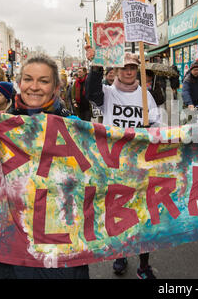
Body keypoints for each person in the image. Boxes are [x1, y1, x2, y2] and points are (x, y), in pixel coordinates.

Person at [0, 55, 88, 279]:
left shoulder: (76, 128)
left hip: (61, 252)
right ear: (19, 83)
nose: (34, 87)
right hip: (12, 253)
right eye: (28, 79)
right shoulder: (0, 126)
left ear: (56, 86)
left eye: (43, 81)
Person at [85, 48, 160, 279]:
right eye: (124, 67)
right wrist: (97, 64)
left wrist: (151, 131)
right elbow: (91, 92)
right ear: (116, 70)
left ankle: (144, 265)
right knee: (118, 216)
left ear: (138, 71)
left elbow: (159, 124)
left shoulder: (147, 96)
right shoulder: (107, 93)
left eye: (132, 68)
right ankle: (120, 255)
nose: (128, 72)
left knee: (143, 218)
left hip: (141, 166)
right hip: (115, 166)